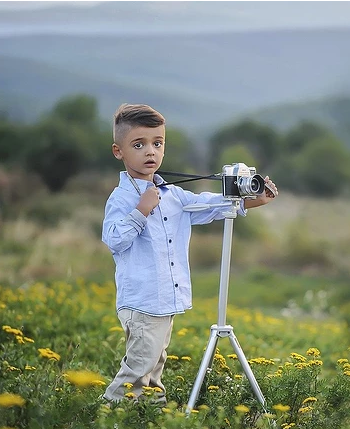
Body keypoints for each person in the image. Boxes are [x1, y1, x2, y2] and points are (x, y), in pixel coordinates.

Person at [101, 103, 279, 404]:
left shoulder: (173, 194)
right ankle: (109, 413)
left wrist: (251, 200)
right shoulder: (122, 198)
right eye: (139, 145)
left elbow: (207, 204)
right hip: (143, 300)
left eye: (157, 144)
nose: (150, 152)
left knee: (155, 363)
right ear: (119, 151)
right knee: (139, 366)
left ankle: (150, 411)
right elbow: (114, 240)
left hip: (165, 299)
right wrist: (141, 210)